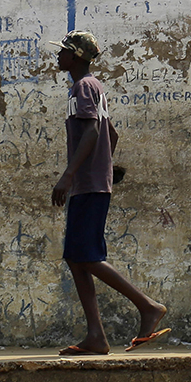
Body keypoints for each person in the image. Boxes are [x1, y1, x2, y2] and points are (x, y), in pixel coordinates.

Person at [49, 30, 168, 355]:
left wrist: (69, 174)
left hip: (87, 184)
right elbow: (110, 133)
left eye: (63, 52)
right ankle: (96, 336)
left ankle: (147, 307)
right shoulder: (90, 87)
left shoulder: (83, 86)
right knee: (76, 258)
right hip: (91, 182)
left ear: (75, 57)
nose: (58, 56)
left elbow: (95, 130)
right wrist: (105, 163)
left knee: (86, 256)